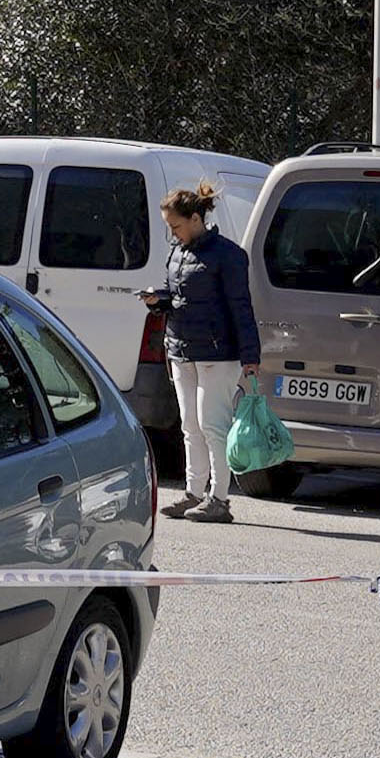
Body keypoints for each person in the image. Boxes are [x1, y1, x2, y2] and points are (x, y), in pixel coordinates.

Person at [153, 180, 257, 521]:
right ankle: (193, 492)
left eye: (176, 226)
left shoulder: (229, 255)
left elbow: (241, 307)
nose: (173, 233)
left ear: (196, 218)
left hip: (217, 353)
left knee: (213, 427)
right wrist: (158, 301)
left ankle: (220, 499)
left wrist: (251, 356)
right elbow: (175, 294)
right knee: (190, 426)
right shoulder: (178, 252)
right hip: (182, 349)